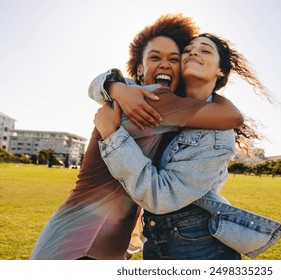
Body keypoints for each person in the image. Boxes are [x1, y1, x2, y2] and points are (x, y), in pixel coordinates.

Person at [30, 14, 244, 260]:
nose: (165, 64)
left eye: (173, 59)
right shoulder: (155, 99)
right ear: (140, 68)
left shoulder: (156, 103)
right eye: (155, 57)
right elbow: (232, 117)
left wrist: (113, 86)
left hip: (94, 243)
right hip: (79, 244)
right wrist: (116, 89)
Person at [93, 33, 281, 260]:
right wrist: (115, 87)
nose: (194, 52)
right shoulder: (161, 99)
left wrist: (112, 135)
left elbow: (161, 196)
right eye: (188, 50)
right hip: (156, 239)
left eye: (205, 50)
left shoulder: (218, 136)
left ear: (221, 71)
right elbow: (98, 84)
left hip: (198, 246)